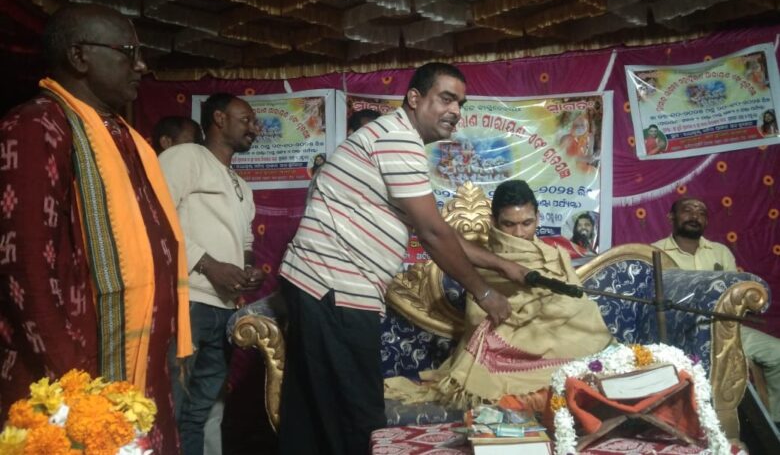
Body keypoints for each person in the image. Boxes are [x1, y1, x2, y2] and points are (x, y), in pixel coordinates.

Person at [277, 62, 531, 455]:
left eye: (460, 103)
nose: (455, 111)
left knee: (309, 420)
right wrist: (485, 293)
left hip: (318, 286)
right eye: (446, 98)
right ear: (414, 98)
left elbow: (439, 230)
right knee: (358, 422)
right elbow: (432, 234)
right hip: (335, 288)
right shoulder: (399, 139)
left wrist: (502, 265)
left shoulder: (394, 136)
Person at [0, 4, 191, 452]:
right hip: (75, 382)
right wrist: (77, 388)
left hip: (141, 373)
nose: (141, 66)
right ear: (79, 56)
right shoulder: (35, 126)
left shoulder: (124, 137)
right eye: (129, 52)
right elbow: (26, 271)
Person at [386, 180, 613, 411]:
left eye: (527, 223)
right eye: (509, 224)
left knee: (591, 341)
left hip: (559, 350)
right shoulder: (480, 265)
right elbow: (482, 320)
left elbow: (576, 310)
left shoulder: (555, 257)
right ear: (493, 222)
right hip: (508, 353)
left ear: (538, 218)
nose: (519, 233)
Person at [159, 93, 265, 454]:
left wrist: (247, 268)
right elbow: (158, 217)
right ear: (219, 119)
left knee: (199, 413)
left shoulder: (241, 184)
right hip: (187, 301)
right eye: (246, 120)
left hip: (224, 308)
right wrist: (208, 265)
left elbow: (246, 240)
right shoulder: (185, 157)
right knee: (173, 409)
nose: (254, 129)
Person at [652, 196, 780, 427]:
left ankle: (773, 426)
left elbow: (735, 294)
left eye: (701, 213)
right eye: (687, 210)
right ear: (671, 217)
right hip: (680, 333)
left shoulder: (720, 252)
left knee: (777, 352)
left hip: (725, 330)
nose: (694, 216)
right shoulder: (655, 252)